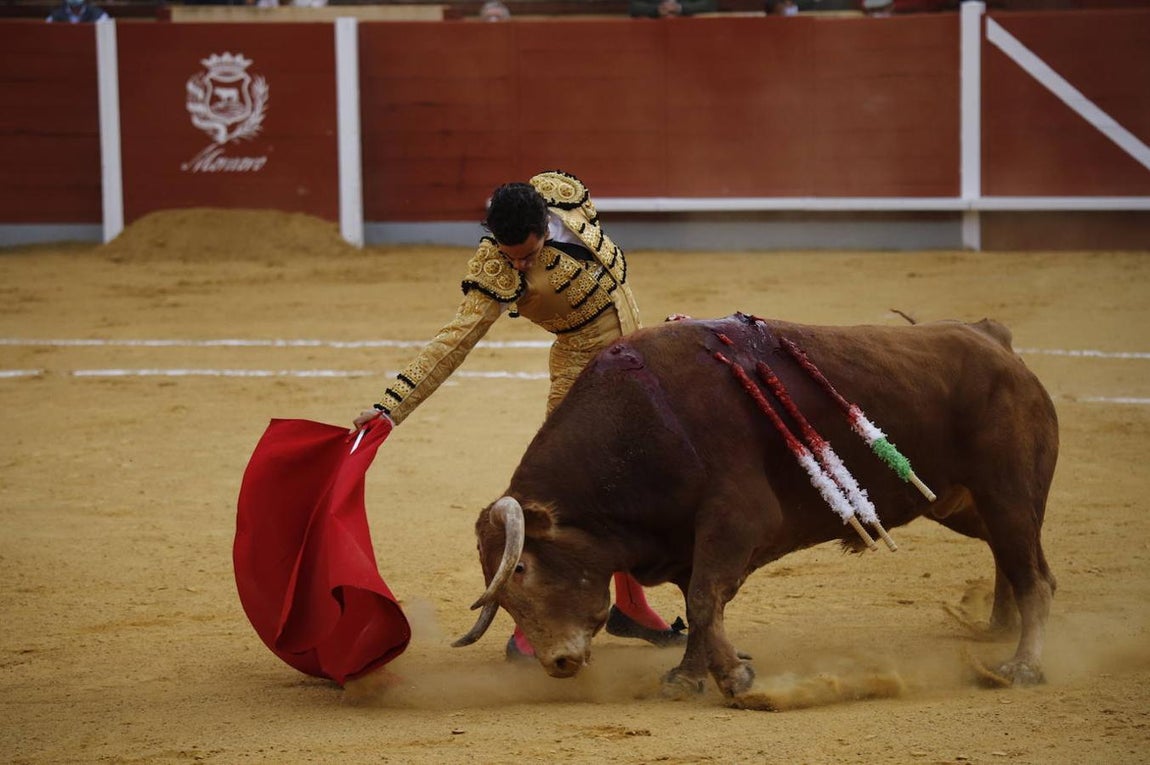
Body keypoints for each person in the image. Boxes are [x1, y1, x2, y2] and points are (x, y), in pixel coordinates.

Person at [353, 170, 687, 660]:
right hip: (583, 381)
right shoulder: (497, 270)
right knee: (566, 500)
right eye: (512, 256)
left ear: (544, 222)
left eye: (528, 253)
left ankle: (630, 607)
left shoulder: (563, 198)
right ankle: (531, 627)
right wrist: (389, 409)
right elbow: (453, 343)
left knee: (635, 486)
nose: (521, 263)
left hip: (635, 364)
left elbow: (610, 286)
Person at [629, 0, 717, 17]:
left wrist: (680, 8)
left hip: (690, 29)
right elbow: (634, 6)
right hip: (653, 32)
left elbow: (710, 4)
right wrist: (657, 10)